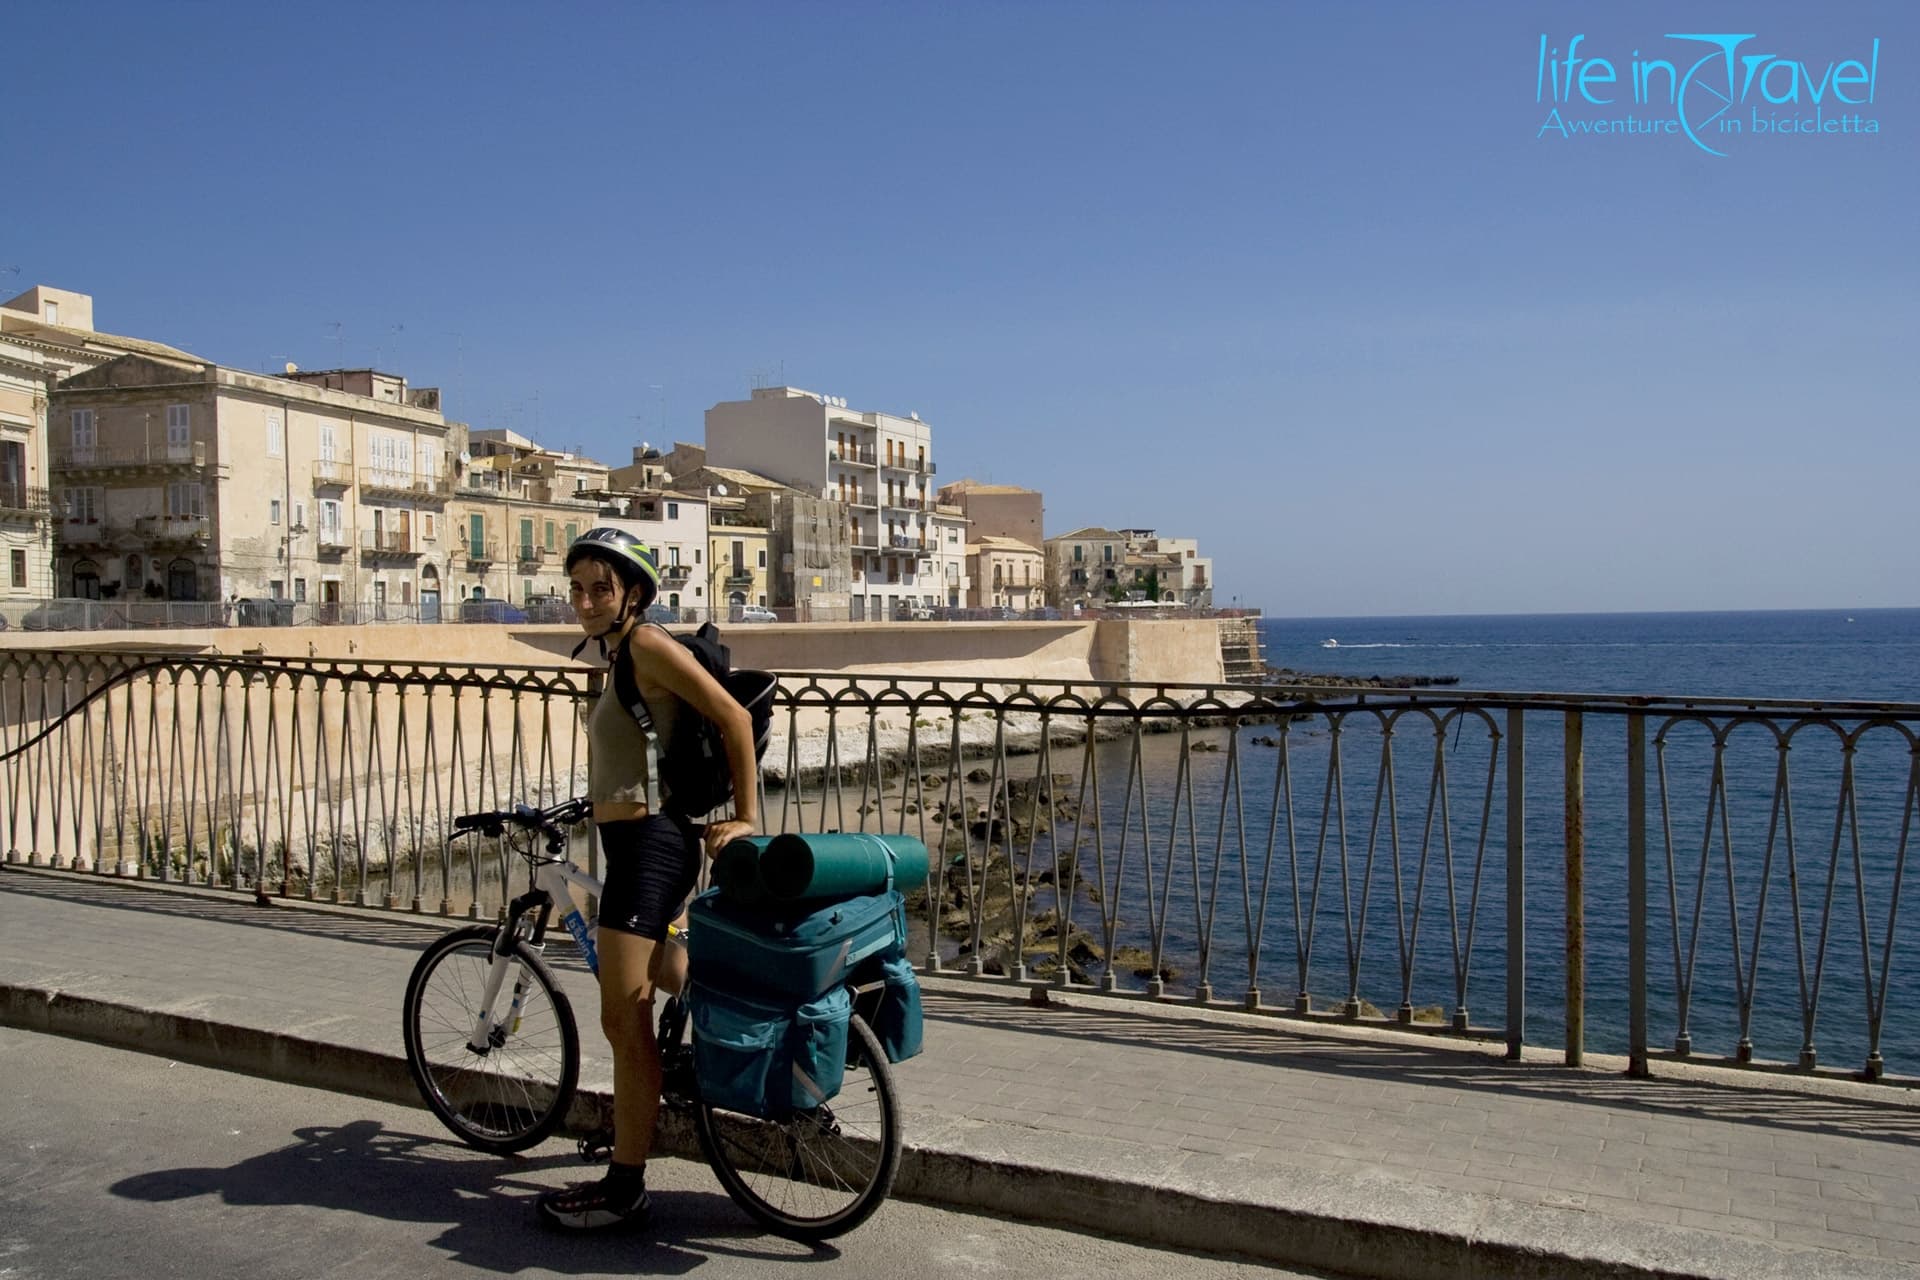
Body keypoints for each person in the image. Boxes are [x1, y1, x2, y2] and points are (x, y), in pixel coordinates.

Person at [537, 527, 759, 1231]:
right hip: (633, 839)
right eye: (576, 588)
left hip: (651, 848)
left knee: (620, 1018)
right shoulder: (617, 654)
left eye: (600, 587)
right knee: (667, 977)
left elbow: (732, 716)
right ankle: (729, 1022)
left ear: (632, 592)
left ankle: (624, 1186)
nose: (585, 600)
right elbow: (636, 750)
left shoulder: (646, 645)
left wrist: (747, 816)